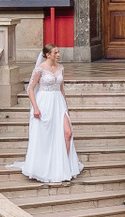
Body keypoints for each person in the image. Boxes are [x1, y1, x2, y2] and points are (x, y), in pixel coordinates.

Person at [17, 44, 83, 184]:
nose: (58, 55)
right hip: (44, 103)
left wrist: (66, 107)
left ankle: (64, 167)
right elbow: (30, 89)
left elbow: (62, 89)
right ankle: (44, 168)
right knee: (45, 137)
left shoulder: (61, 68)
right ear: (48, 55)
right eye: (55, 53)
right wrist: (35, 108)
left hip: (59, 103)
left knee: (68, 133)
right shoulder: (40, 69)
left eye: (58, 52)